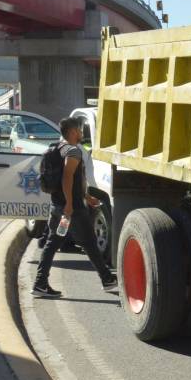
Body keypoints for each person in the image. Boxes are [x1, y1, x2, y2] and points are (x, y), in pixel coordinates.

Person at [33, 117, 117, 298]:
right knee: (89, 243)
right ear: (72, 132)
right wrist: (70, 204)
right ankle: (108, 279)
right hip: (72, 210)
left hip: (57, 207)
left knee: (53, 242)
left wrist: (86, 196)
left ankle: (40, 283)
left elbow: (72, 181)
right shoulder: (73, 152)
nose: (81, 133)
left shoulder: (55, 149)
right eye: (79, 130)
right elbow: (67, 177)